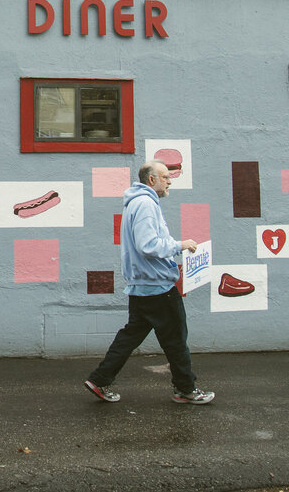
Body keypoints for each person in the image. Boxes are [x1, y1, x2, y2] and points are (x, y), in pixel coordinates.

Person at [83, 159, 215, 405]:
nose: (170, 181)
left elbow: (148, 242)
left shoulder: (137, 203)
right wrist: (180, 245)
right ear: (151, 180)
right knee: (176, 341)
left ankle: (99, 379)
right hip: (158, 288)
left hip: (142, 286)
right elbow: (148, 245)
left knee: (130, 336)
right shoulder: (145, 204)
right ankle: (186, 390)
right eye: (165, 177)